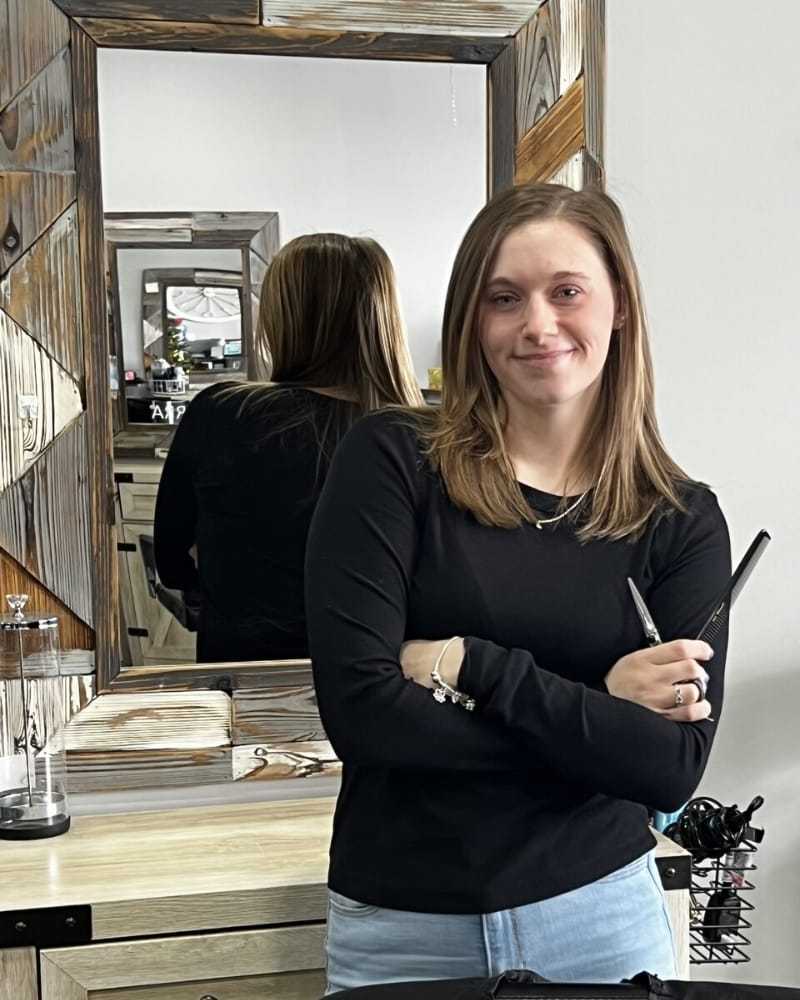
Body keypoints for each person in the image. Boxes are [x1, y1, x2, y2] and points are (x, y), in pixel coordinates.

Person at [305, 184, 731, 992]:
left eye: (566, 291)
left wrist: (473, 666)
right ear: (474, 320)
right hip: (403, 928)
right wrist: (599, 713)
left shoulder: (680, 520)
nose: (538, 324)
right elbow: (363, 719)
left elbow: (671, 769)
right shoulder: (393, 460)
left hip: (601, 920)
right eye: (504, 298)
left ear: (619, 307)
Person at [154, 233, 423, 663]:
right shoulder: (421, 437)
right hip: (378, 677)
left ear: (280, 318)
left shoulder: (221, 412)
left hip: (243, 670)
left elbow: (170, 560)